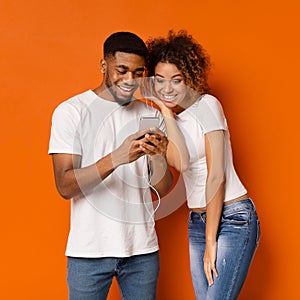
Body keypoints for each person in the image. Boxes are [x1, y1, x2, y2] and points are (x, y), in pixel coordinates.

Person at [48, 31, 174, 300]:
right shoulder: (71, 112)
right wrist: (117, 157)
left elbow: (164, 189)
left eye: (138, 73)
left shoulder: (150, 114)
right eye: (122, 70)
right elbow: (65, 185)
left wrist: (159, 156)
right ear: (104, 66)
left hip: (142, 252)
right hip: (89, 252)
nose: (130, 81)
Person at [145, 30, 260, 299]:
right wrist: (165, 113)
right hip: (197, 220)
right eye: (160, 80)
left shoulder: (208, 106)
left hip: (233, 218)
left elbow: (216, 176)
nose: (167, 88)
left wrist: (211, 241)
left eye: (176, 80)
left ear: (190, 79)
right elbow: (181, 162)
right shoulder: (170, 120)